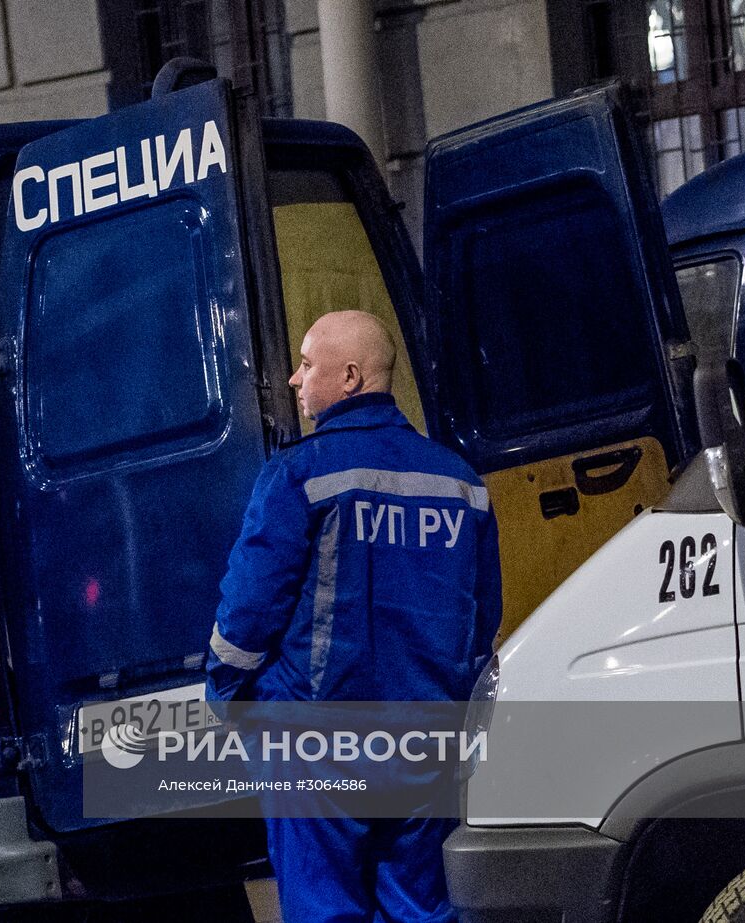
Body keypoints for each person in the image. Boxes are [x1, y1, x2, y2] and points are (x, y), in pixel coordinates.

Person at [205, 311, 501, 922]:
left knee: (325, 909)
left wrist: (228, 695)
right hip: (427, 743)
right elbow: (483, 617)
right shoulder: (461, 483)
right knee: (421, 908)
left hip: (317, 744)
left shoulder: (299, 473)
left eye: (307, 364)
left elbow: (250, 608)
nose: (293, 379)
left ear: (349, 377)